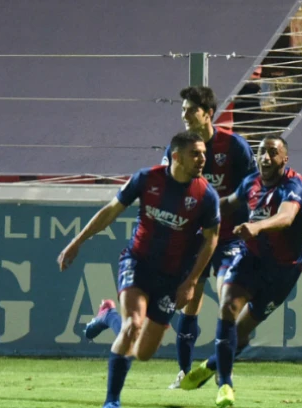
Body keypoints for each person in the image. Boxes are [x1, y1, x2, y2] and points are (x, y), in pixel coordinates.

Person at [83, 86, 257, 389]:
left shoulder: (234, 147)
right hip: (193, 240)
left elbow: (254, 187)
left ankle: (221, 373)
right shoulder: (176, 151)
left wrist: (253, 222)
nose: (184, 115)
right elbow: (167, 190)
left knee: (230, 303)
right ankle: (183, 370)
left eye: (191, 109)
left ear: (208, 113)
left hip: (228, 238)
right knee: (184, 307)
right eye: (183, 109)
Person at [58, 131, 220, 408]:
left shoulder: (206, 195)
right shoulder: (147, 179)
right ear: (177, 156)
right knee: (133, 324)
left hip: (172, 277)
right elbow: (110, 211)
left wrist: (191, 281)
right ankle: (112, 401)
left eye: (204, 153)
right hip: (137, 263)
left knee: (143, 352)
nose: (202, 159)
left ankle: (108, 316)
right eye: (195, 153)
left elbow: (211, 239)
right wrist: (77, 242)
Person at [179, 135, 302, 408]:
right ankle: (225, 385)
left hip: (282, 272)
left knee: (239, 333)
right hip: (250, 259)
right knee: (227, 306)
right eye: (262, 152)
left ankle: (211, 365)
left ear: (284, 159)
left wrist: (258, 226)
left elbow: (286, 217)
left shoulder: (294, 185)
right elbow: (229, 202)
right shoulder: (251, 182)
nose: (265, 158)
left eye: (272, 152)